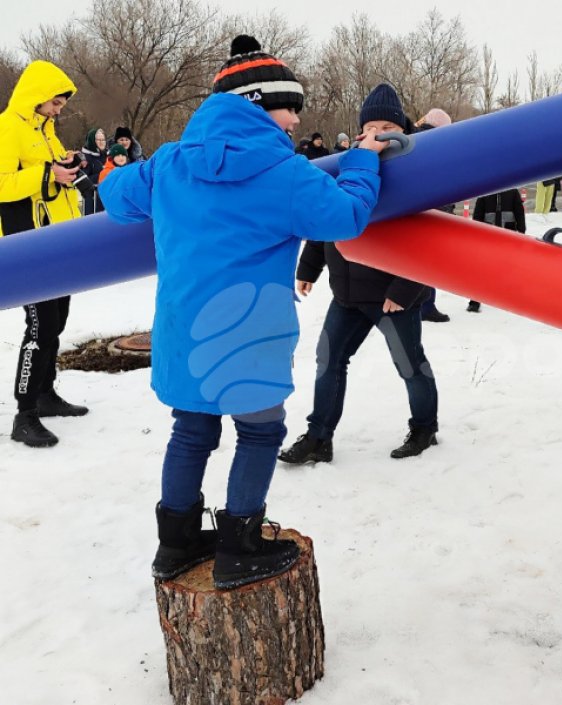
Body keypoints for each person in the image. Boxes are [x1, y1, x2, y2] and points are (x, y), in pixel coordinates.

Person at [98, 35, 386, 589]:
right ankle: (240, 544)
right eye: (289, 107)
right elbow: (347, 215)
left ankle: (174, 543)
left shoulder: (169, 163)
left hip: (184, 328)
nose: (297, 121)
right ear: (257, 105)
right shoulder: (282, 171)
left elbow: (115, 199)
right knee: (259, 432)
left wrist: (114, 173)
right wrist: (360, 161)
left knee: (190, 430)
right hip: (247, 331)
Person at [279, 83, 440, 466]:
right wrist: (309, 267)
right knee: (329, 361)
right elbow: (329, 218)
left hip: (393, 297)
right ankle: (319, 436)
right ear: (360, 132)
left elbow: (431, 241)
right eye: (372, 126)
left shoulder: (418, 171)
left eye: (389, 125)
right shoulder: (348, 166)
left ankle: (424, 427)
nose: (379, 133)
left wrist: (403, 289)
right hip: (348, 294)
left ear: (401, 130)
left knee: (410, 365)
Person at [0, 60, 90, 448]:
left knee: (56, 323)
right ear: (36, 97)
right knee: (39, 328)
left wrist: (68, 166)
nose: (58, 111)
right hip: (27, 248)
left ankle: (45, 393)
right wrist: (47, 174)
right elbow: (3, 185)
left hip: (57, 243)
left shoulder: (46, 131)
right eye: (54, 103)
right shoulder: (7, 128)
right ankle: (25, 413)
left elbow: (50, 176)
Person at [415, 108, 455, 323]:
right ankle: (426, 305)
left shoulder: (417, 140)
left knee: (421, 260)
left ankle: (422, 304)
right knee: (427, 260)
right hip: (430, 210)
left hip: (424, 209)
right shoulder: (433, 144)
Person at [468, 188, 526, 312]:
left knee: (508, 266)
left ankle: (508, 296)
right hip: (488, 238)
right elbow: (478, 215)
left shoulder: (513, 192)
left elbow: (519, 212)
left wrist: (521, 233)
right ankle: (475, 300)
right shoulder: (485, 193)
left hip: (508, 237)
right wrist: (476, 235)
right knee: (481, 269)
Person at [80, 127, 107, 213]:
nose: (101, 142)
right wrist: (102, 175)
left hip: (106, 199)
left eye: (103, 140)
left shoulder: (108, 156)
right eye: (98, 140)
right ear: (91, 141)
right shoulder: (84, 158)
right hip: (91, 201)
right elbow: (83, 180)